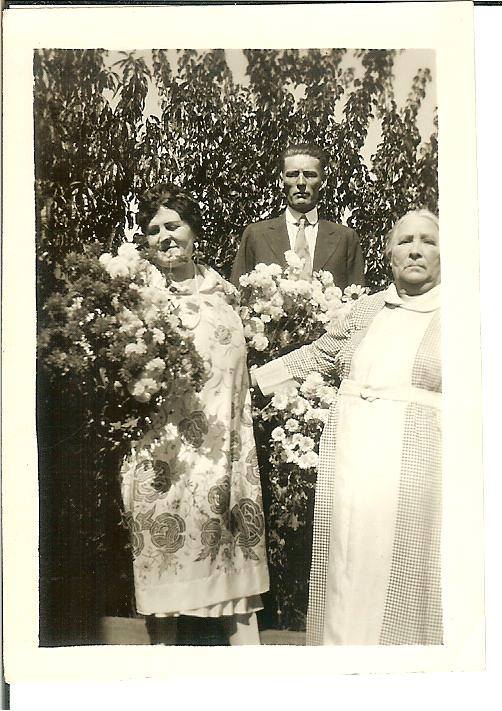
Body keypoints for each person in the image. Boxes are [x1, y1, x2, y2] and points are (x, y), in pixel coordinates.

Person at [252, 209, 442, 645]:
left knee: (405, 560)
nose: (415, 250)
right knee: (347, 554)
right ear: (389, 254)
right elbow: (317, 355)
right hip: (352, 457)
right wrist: (253, 381)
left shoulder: (462, 316)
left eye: (428, 241)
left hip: (419, 460)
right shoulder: (368, 309)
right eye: (405, 241)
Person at [120, 182, 269, 645]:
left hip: (225, 450)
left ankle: (253, 669)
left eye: (174, 225)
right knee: (163, 564)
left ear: (193, 230)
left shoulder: (224, 291)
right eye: (154, 230)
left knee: (234, 569)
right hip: (164, 454)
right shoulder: (136, 296)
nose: (165, 236)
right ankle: (162, 665)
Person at [230, 142, 365, 288]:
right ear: (281, 180)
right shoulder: (256, 235)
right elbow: (237, 296)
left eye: (310, 175)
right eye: (293, 175)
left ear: (323, 181)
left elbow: (357, 298)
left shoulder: (345, 239)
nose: (301, 182)